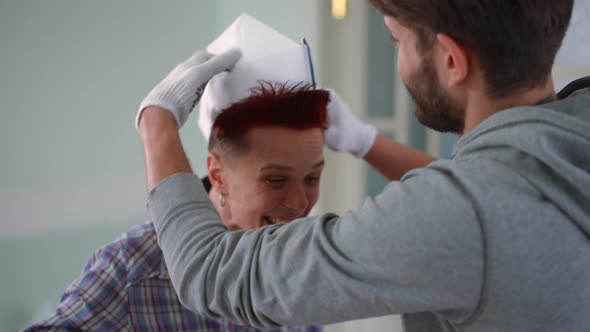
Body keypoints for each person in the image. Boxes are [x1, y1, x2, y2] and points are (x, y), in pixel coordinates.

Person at [137, 0, 590, 331]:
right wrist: (367, 142)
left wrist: (157, 123)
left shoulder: (466, 216)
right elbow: (487, 201)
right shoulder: (564, 143)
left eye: (398, 40)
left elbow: (210, 273)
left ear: (451, 60)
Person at [22, 82, 329, 332]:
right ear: (218, 174)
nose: (301, 203)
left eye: (312, 177)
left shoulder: (302, 269)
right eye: (276, 180)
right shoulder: (135, 269)